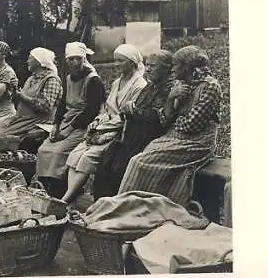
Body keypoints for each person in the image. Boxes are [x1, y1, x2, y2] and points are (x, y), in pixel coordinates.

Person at [117, 45, 223, 207]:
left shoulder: (210, 86)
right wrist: (172, 98)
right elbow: (165, 119)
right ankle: (139, 207)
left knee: (140, 162)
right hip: (177, 137)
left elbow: (191, 125)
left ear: (188, 67)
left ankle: (131, 207)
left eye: (177, 65)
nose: (173, 70)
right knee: (143, 156)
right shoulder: (181, 84)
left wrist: (175, 117)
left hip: (198, 143)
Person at [61, 44, 148, 204]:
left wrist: (105, 125)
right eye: (115, 61)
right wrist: (97, 120)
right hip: (105, 126)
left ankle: (65, 200)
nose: (116, 64)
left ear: (132, 62)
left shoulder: (139, 85)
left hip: (120, 130)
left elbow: (127, 115)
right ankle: (69, 196)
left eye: (121, 61)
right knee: (75, 154)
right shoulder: (117, 83)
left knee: (87, 156)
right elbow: (107, 109)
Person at [92, 50, 174, 200]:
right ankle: (101, 206)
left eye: (153, 66)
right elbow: (136, 110)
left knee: (121, 167)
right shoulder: (150, 86)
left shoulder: (169, 88)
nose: (148, 69)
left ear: (167, 68)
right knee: (106, 161)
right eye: (147, 65)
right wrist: (130, 110)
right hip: (133, 135)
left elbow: (158, 117)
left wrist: (133, 110)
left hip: (150, 137)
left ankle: (117, 206)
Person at [36, 42, 106, 198]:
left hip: (84, 125)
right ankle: (44, 186)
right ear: (66, 61)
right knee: (43, 150)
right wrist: (55, 126)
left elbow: (91, 111)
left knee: (59, 152)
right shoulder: (68, 78)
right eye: (71, 59)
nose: (74, 63)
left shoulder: (93, 80)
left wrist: (67, 130)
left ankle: (59, 190)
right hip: (67, 120)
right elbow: (62, 105)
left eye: (78, 59)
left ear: (84, 59)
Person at [0, 47, 63, 153]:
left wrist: (22, 97)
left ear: (39, 62)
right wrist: (15, 90)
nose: (27, 61)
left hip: (38, 122)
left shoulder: (51, 80)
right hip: (22, 119)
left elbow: (46, 107)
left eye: (30, 58)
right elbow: (21, 103)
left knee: (1, 139)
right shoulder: (31, 78)